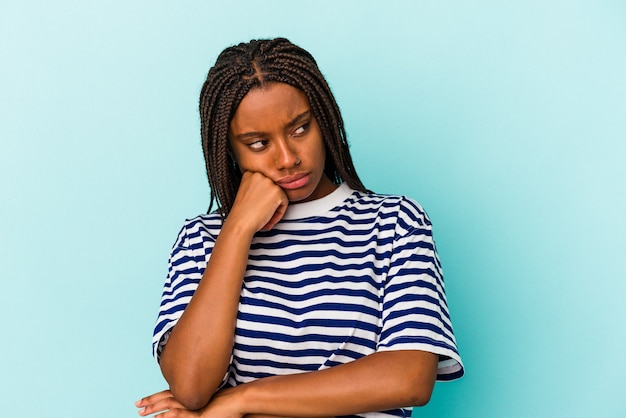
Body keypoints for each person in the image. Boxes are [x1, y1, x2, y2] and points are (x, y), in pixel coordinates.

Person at [136, 37, 464, 418]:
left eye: (300, 128)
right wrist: (238, 230)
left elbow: (407, 378)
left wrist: (242, 400)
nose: (288, 158)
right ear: (230, 150)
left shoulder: (394, 223)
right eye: (258, 143)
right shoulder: (202, 240)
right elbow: (191, 387)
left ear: (323, 120)